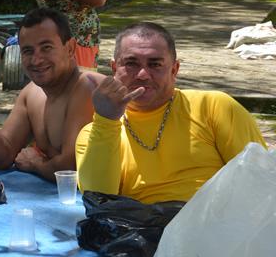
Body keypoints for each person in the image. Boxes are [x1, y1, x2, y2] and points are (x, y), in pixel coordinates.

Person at [75, 22, 267, 204]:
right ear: (114, 69)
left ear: (174, 71)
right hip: (139, 226)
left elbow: (259, 180)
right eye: (131, 63)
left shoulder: (215, 107)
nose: (142, 74)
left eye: (155, 65)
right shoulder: (94, 133)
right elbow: (98, 200)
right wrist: (106, 121)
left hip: (217, 223)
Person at [0, 8, 103, 182]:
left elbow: (71, 169)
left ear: (70, 48)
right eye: (28, 51)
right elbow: (3, 156)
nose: (36, 60)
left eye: (46, 48)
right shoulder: (32, 93)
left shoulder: (88, 87)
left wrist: (34, 162)